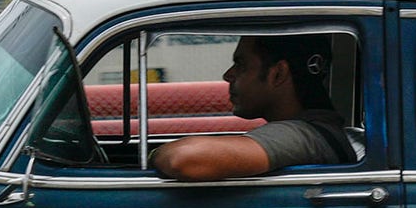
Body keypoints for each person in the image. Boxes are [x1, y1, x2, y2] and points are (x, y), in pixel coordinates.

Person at [151, 34, 355, 181]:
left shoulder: (303, 136)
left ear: (278, 74)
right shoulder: (319, 130)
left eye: (241, 65)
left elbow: (186, 158)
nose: (228, 75)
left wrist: (151, 155)